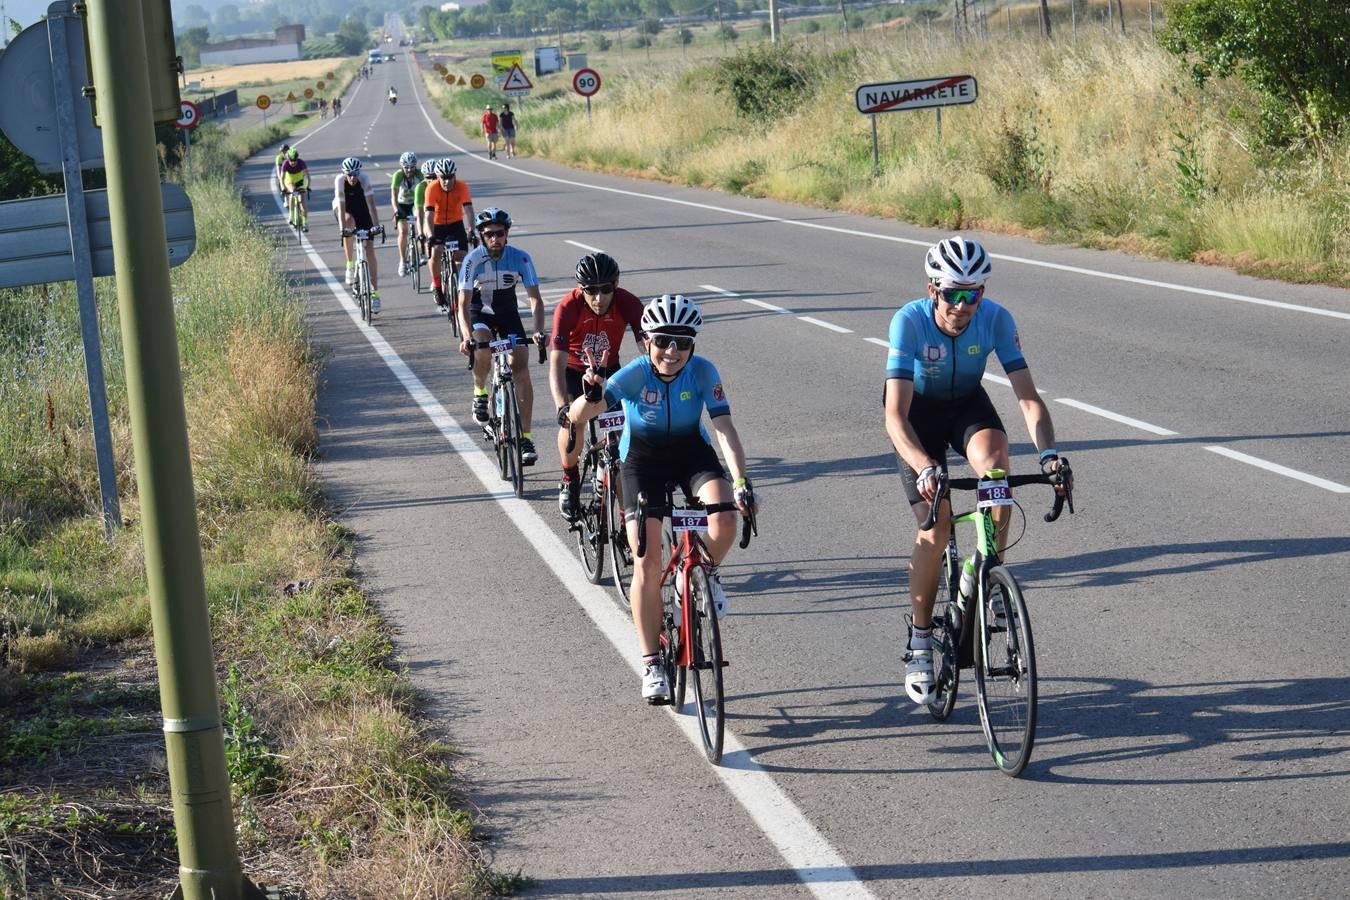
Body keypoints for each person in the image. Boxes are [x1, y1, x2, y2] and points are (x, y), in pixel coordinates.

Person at [883, 235, 1070, 706]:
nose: (963, 305)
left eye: (973, 294)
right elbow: (895, 416)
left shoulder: (997, 320)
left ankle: (986, 574)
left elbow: (1028, 399)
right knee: (937, 527)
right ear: (933, 291)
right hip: (918, 416)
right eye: (953, 293)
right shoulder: (908, 322)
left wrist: (1049, 454)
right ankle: (921, 640)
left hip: (967, 407)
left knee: (998, 474)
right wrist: (925, 467)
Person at [567, 294, 756, 703]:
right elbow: (585, 412)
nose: (673, 352)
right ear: (647, 342)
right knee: (647, 560)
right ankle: (652, 662)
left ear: (693, 345)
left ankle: (707, 572)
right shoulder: (635, 375)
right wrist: (589, 393)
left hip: (691, 453)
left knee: (724, 520)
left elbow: (724, 428)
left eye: (682, 343)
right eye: (664, 341)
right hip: (643, 462)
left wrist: (740, 480)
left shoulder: (704, 372)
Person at [550, 253, 644, 521]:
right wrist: (561, 405)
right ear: (581, 289)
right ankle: (569, 478)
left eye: (606, 290)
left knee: (621, 437)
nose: (599, 298)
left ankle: (627, 514)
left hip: (608, 372)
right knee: (572, 422)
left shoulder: (627, 302)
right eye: (591, 290)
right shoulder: (568, 308)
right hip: (573, 372)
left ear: (616, 286)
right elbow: (555, 364)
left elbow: (648, 351)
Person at [457, 208, 545, 464]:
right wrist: (466, 336)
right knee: (483, 346)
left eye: (500, 233)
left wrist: (538, 330)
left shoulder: (521, 258)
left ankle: (526, 436)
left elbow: (535, 300)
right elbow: (463, 304)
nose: (495, 238)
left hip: (507, 314)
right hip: (480, 313)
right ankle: (480, 391)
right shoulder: (472, 260)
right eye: (489, 234)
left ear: (507, 234)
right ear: (482, 237)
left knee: (520, 364)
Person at [422, 158, 475, 314]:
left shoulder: (462, 187)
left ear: (454, 176)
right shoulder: (431, 188)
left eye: (450, 177)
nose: (446, 181)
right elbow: (429, 215)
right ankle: (437, 287)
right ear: (438, 177)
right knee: (437, 251)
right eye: (443, 178)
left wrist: (471, 230)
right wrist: (431, 236)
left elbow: (469, 211)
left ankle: (461, 289)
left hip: (455, 224)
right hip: (437, 225)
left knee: (462, 257)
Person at [331, 156, 383, 314]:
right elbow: (341, 206)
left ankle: (375, 294)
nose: (353, 177)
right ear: (344, 173)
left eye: (355, 173)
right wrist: (342, 229)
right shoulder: (340, 180)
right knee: (348, 223)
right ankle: (350, 265)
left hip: (362, 208)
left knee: (369, 247)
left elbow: (371, 204)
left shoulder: (364, 179)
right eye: (349, 174)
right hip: (345, 209)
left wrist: (376, 226)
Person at [390, 151, 422, 277]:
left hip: (415, 204)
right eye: (406, 167)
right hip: (402, 205)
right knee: (403, 231)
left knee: (421, 226)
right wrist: (396, 211)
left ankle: (422, 252)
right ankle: (402, 261)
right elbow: (393, 196)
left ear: (415, 166)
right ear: (401, 166)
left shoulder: (420, 175)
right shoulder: (398, 175)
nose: (409, 170)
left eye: (412, 167)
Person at [278, 147, 310, 231]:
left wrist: (308, 186)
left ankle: (305, 223)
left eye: (295, 160)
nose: (293, 162)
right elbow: (282, 178)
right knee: (292, 192)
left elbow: (307, 176)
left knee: (302, 202)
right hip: (290, 182)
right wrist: (282, 188)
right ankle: (291, 216)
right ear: (288, 159)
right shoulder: (285, 163)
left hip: (300, 181)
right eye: (291, 160)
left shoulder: (301, 163)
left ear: (297, 158)